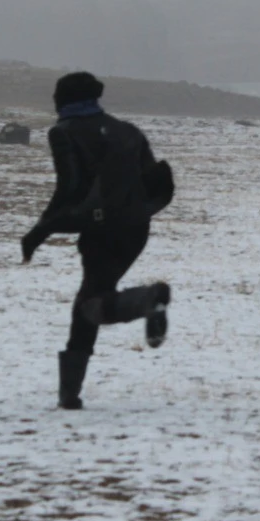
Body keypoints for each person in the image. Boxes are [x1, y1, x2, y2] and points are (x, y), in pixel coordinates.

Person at [21, 72, 174, 410]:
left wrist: (39, 231)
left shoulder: (64, 133)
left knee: (91, 305)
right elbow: (153, 180)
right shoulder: (128, 131)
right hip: (137, 229)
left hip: (101, 230)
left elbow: (68, 188)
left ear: (63, 99)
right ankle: (69, 394)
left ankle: (148, 299)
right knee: (90, 298)